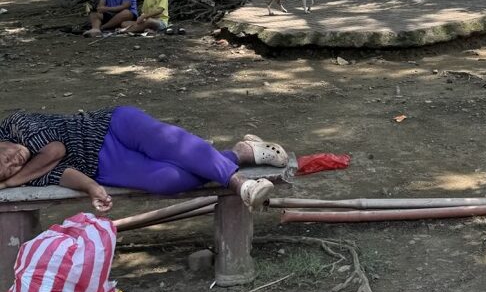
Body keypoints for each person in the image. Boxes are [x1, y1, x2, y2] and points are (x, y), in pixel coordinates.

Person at [0, 108, 287, 211]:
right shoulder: (29, 172)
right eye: (10, 168)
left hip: (110, 125)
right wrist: (91, 188)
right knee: (170, 180)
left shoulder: (16, 125)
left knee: (174, 146)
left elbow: (55, 151)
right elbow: (63, 174)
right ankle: (240, 152)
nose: (15, 160)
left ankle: (242, 186)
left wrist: (11, 181)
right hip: (105, 166)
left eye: (6, 157)